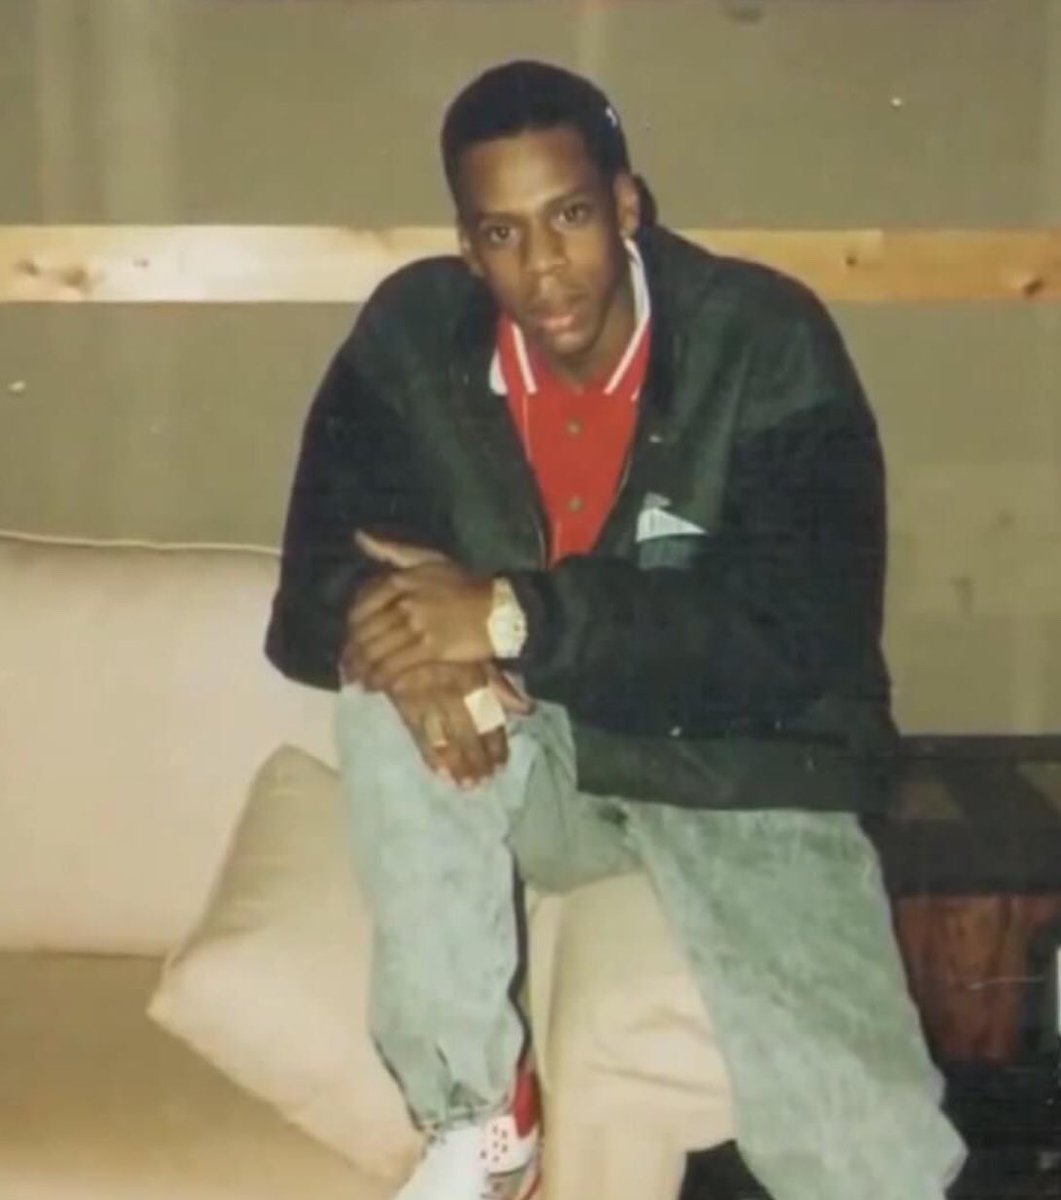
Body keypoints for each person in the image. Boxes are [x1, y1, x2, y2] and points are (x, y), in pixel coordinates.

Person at [265, 60, 964, 1200]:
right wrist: (398, 636)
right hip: (540, 755)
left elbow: (804, 630)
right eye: (502, 234)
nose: (542, 267)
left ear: (626, 205)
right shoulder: (413, 333)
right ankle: (478, 1124)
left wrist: (506, 612)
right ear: (466, 245)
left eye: (570, 217)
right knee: (387, 689)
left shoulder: (762, 336)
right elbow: (310, 582)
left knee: (861, 1157)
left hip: (741, 768)